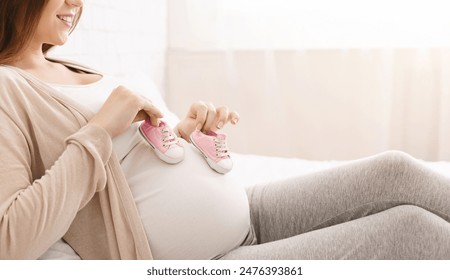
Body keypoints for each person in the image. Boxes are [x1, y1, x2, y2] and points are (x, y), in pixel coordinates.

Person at [1, 0, 450, 260]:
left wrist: (184, 134)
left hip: (246, 212)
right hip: (207, 261)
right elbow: (11, 240)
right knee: (410, 231)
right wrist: (101, 128)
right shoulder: (8, 88)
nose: (76, 2)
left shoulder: (65, 64)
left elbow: (126, 170)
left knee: (397, 171)